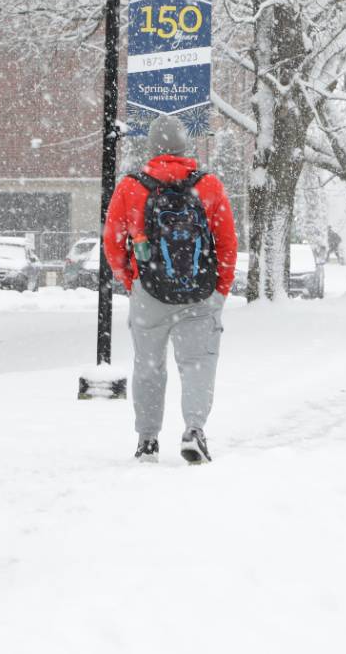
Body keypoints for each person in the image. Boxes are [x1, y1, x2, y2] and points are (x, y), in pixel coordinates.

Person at [103, 115, 237, 465]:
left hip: (149, 291)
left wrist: (132, 281)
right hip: (199, 293)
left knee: (148, 367)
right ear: (185, 145)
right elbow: (226, 244)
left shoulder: (131, 187)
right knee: (197, 364)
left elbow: (113, 242)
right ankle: (194, 430)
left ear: (151, 148)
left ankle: (147, 440)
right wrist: (219, 290)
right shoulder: (208, 185)